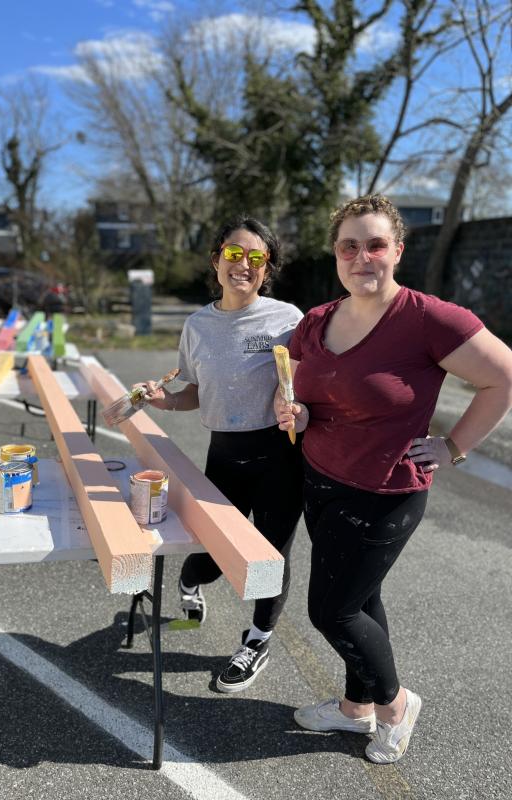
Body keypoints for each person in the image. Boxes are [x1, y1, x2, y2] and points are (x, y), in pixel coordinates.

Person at [276, 194, 512, 764]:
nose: (363, 257)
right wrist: (296, 414)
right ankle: (355, 707)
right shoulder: (316, 321)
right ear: (336, 255)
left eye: (375, 244)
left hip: (384, 493)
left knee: (332, 611)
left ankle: (396, 705)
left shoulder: (428, 319)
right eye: (349, 246)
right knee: (361, 599)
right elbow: (298, 394)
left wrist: (453, 445)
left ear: (397, 251)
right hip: (321, 478)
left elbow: (503, 377)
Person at [139, 214, 304, 693]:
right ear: (216, 261)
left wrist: (302, 408)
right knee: (212, 555)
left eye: (256, 257)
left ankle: (257, 640)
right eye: (234, 253)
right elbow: (195, 390)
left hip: (280, 456)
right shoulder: (198, 326)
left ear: (267, 267)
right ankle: (190, 584)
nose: (243, 265)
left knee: (270, 554)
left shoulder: (288, 319)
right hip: (225, 455)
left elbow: (307, 386)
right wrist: (164, 401)